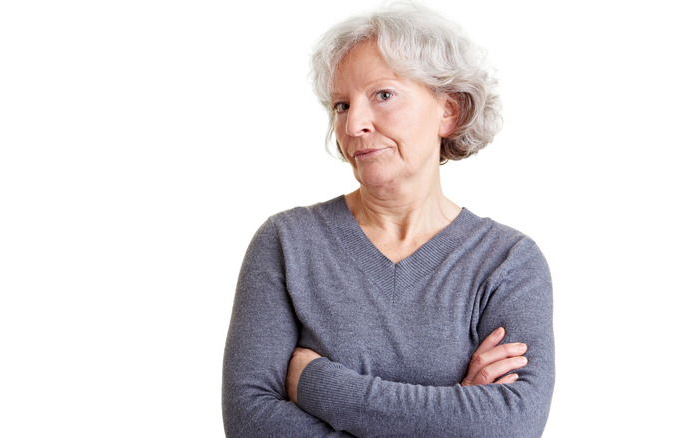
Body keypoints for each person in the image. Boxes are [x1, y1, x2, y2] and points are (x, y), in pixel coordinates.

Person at [222, 3, 554, 437]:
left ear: (448, 111)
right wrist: (452, 416)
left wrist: (315, 382)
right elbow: (250, 423)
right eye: (342, 105)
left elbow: (513, 424)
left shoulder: (508, 262)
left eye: (383, 95)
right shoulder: (287, 243)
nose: (354, 123)